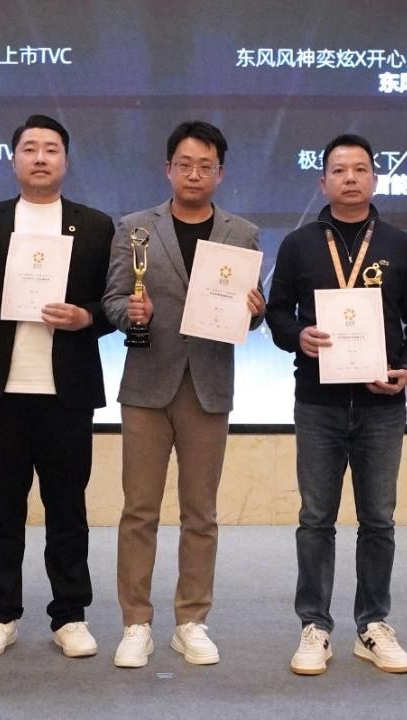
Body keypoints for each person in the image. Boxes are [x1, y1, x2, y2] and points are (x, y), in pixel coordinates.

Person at [0, 115, 114, 659]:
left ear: (65, 161)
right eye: (29, 148)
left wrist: (86, 317)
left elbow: (113, 303)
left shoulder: (94, 226)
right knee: (1, 510)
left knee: (67, 510)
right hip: (0, 392)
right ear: (13, 160)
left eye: (51, 149)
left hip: (66, 392)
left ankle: (70, 615)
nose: (40, 157)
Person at [266, 133, 407, 676]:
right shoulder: (299, 244)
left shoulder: (401, 245)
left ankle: (372, 624)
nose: (350, 178)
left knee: (378, 519)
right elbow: (277, 313)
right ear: (323, 182)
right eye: (339, 170)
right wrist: (297, 336)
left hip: (382, 405)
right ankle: (314, 625)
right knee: (315, 518)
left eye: (360, 169)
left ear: (374, 178)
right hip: (318, 403)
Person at [102, 120, 265, 668]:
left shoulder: (242, 233)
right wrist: (132, 313)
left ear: (221, 173)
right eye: (185, 164)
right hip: (147, 385)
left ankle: (192, 621)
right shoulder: (134, 228)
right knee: (139, 511)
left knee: (201, 513)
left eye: (206, 166)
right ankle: (136, 622)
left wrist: (256, 312)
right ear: (168, 169)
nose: (194, 174)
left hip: (208, 386)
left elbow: (250, 314)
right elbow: (113, 300)